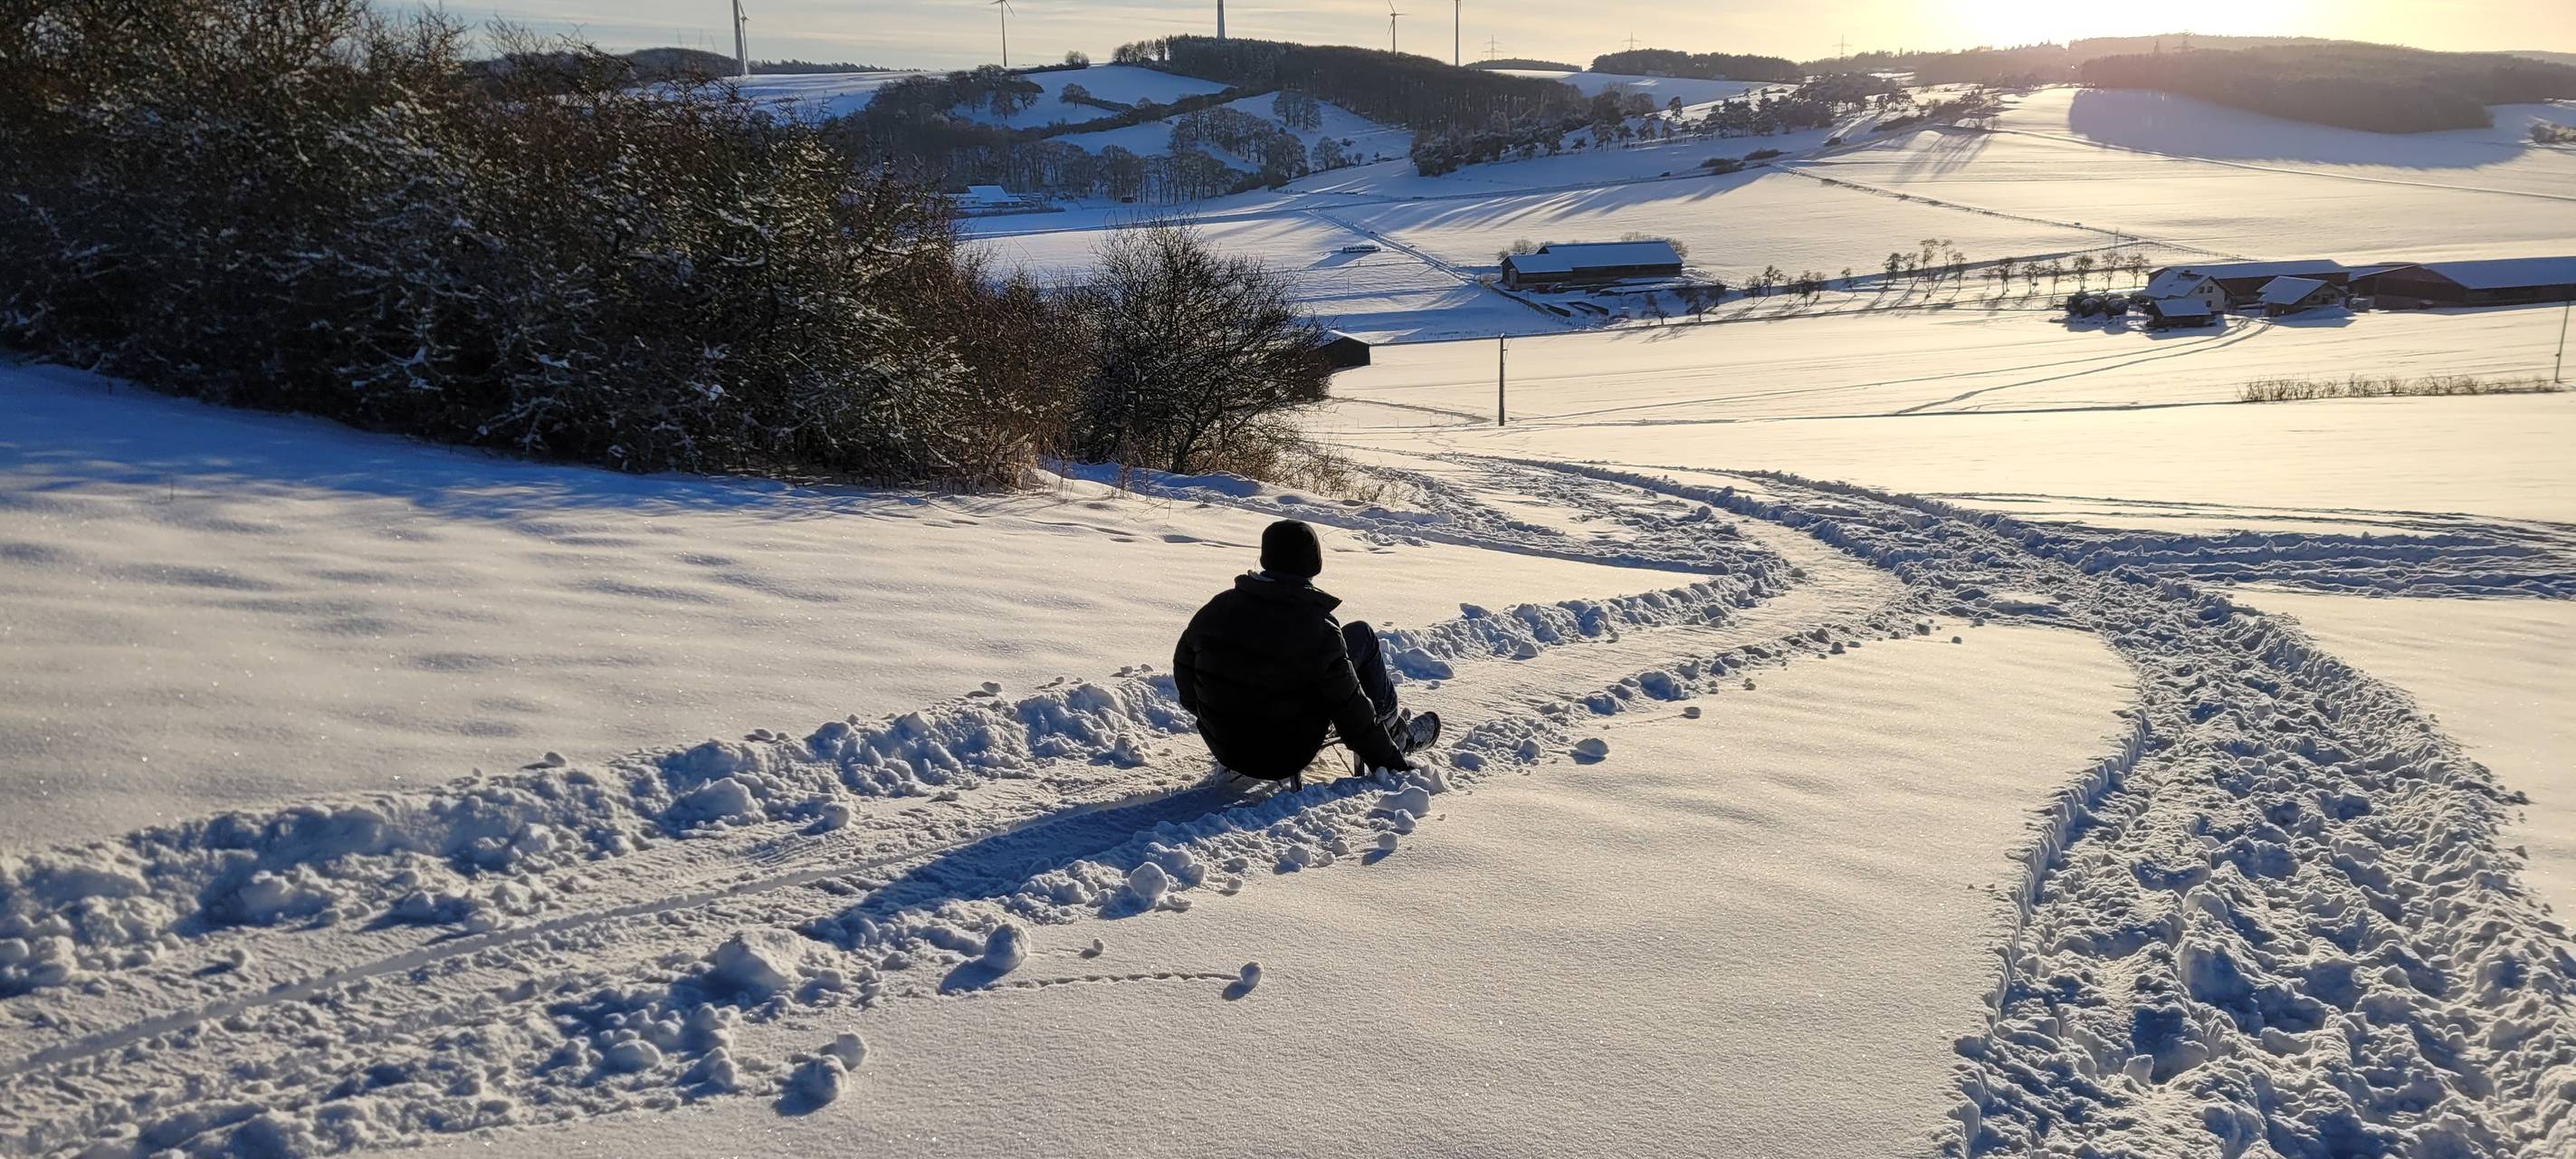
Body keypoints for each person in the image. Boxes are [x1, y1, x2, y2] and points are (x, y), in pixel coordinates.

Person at [1172, 520, 1441, 789]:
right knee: (1363, 638)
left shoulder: (1217, 609)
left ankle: (1392, 732)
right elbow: (1352, 711)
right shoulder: (1319, 630)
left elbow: (1184, 670)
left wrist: (1214, 717)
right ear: (1313, 564)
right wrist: (1392, 763)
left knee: (1353, 636)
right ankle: (1397, 736)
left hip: (1225, 746)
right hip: (1286, 753)